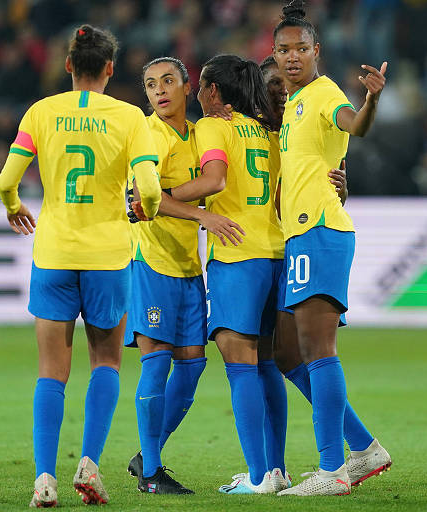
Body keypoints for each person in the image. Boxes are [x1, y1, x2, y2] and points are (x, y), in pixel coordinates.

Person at [0, 25, 162, 507]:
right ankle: (88, 464)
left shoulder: (41, 112)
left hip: (54, 254)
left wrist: (12, 205)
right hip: (109, 255)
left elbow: (8, 179)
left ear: (68, 65)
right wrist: (146, 212)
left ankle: (44, 479)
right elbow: (148, 190)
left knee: (52, 370)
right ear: (110, 68)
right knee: (106, 362)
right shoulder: (131, 117)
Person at [272, 0, 392, 496]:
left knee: (318, 350)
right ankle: (363, 448)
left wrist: (371, 102)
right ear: (274, 55)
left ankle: (331, 470)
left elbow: (353, 125)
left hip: (320, 230)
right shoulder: (291, 105)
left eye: (302, 48)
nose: (293, 56)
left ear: (316, 50)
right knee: (286, 353)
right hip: (300, 235)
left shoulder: (324, 94)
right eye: (284, 49)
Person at [148, 53, 283, 495]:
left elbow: (214, 180)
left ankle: (260, 476)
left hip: (236, 255)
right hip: (276, 252)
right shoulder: (269, 130)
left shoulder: (213, 125)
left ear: (212, 91)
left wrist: (160, 195)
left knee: (240, 365)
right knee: (267, 364)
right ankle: (276, 469)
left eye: (202, 85)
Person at [125, 56, 244, 495]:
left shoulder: (197, 135)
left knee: (192, 365)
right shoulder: (149, 137)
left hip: (188, 265)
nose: (160, 90)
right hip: (151, 260)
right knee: (155, 363)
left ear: (187, 86)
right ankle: (153, 473)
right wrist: (201, 216)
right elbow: (141, 199)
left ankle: (146, 453)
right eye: (151, 83)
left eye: (168, 81)